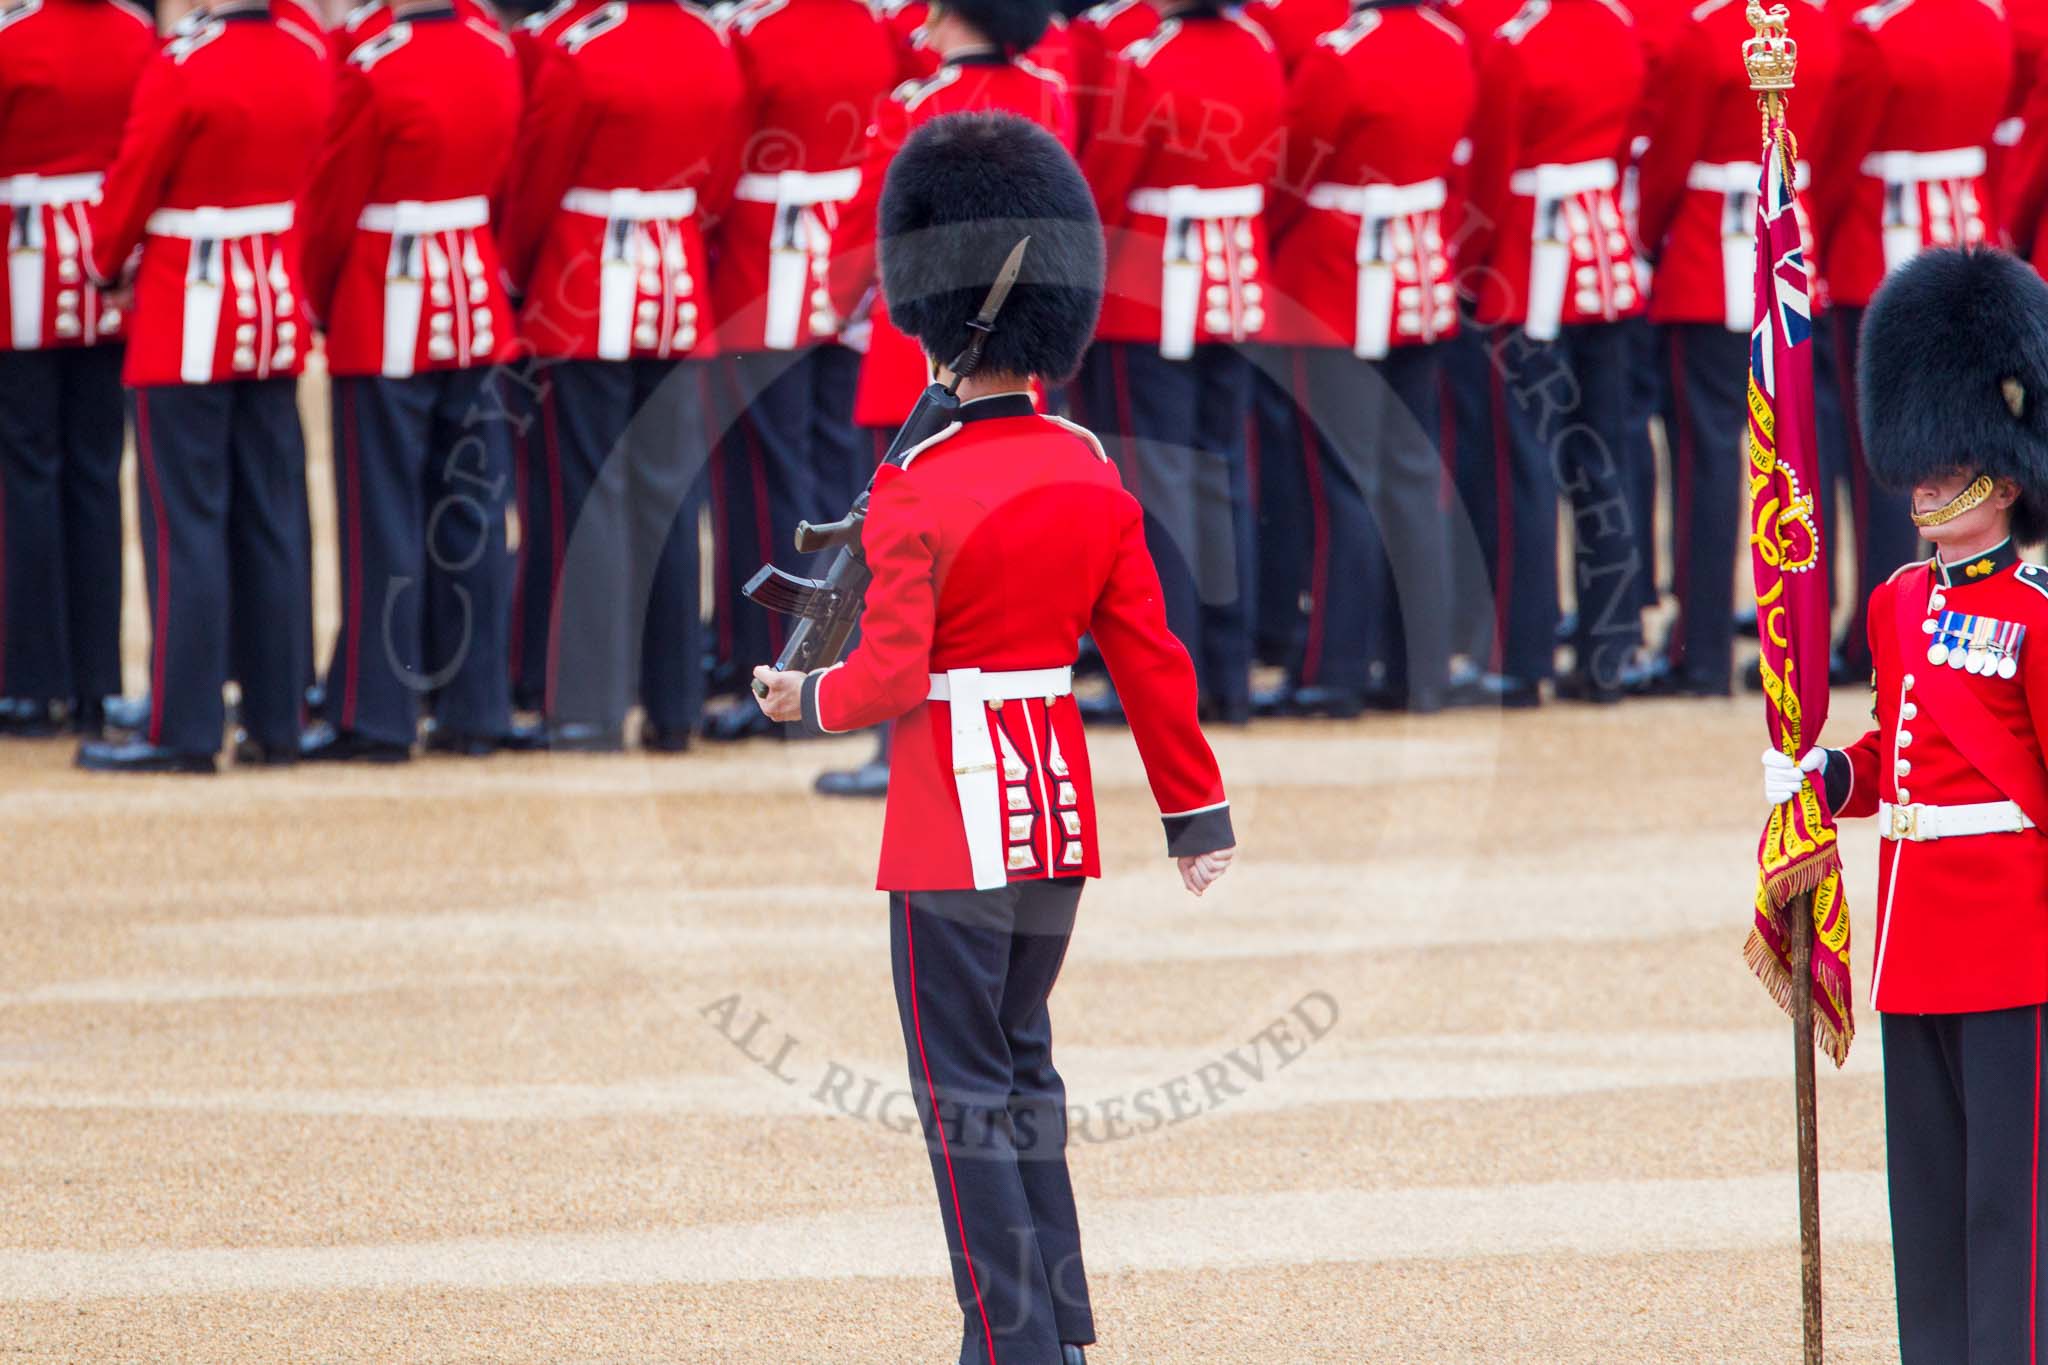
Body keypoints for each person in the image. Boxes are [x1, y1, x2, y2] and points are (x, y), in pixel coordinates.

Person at [753, 112, 1235, 1365]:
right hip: (1055, 821)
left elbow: (889, 674)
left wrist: (801, 699)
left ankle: (1011, 1344)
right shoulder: (1087, 469)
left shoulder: (918, 482)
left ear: (934, 312)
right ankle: (1053, 1336)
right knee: (1024, 1075)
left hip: (947, 825)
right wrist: (1194, 815)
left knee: (959, 1099)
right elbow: (1148, 661)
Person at [1762, 247, 2048, 1363]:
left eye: (1949, 468)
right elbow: (1897, 749)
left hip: (2013, 933)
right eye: (1920, 467)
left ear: (2004, 478)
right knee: (1924, 1197)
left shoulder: (2032, 613)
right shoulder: (1891, 602)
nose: (1926, 487)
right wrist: (1823, 780)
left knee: (2004, 1202)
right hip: (1915, 930)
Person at [810, 0, 1072, 797]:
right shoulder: (1048, 94)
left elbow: (867, 228)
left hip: (920, 356)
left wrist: (835, 296)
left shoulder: (915, 107)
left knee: (904, 552)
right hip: (1018, 355)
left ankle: (903, 745)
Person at [74, 0, 332, 774]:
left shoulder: (184, 64)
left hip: (188, 311)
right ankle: (276, 716)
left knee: (184, 525)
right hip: (272, 306)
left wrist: (103, 265)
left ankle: (184, 724)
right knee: (274, 520)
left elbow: (130, 193)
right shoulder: (306, 52)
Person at [495, 0, 745, 751]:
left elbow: (537, 181)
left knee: (591, 500)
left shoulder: (577, 46)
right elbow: (721, 180)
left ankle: (588, 704)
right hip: (674, 285)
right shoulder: (711, 42)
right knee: (668, 503)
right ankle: (674, 707)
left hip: (585, 286)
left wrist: (518, 270)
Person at [295, 0, 526, 761]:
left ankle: (380, 712)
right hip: (472, 296)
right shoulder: (493, 48)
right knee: (472, 511)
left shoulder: (373, 62)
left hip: (384, 300)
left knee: (383, 515)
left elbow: (330, 209)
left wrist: (323, 298)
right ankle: (475, 706)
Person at [1074, 0, 1288, 725]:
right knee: (1224, 478)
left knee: (1157, 489)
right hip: (1235, 283)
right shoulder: (1259, 47)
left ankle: (1166, 680)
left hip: (1153, 287)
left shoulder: (1145, 60)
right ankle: (1228, 676)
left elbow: (1101, 187)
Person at [1259, 0, 1474, 716]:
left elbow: (1290, 172)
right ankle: (1422, 669)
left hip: (1337, 275)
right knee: (1413, 474)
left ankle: (1334, 669)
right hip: (1417, 271)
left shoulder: (1340, 54)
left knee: (1341, 485)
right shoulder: (1450, 43)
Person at [699, 0, 898, 743]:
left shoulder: (755, 32)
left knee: (764, 480)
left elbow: (720, 166)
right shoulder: (871, 27)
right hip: (845, 257)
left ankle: (767, 665)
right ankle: (832, 660)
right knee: (838, 475)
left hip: (764, 263)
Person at [1633, 0, 1837, 697]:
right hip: (1795, 250)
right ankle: (1804, 641)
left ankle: (1701, 648)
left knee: (1707, 456)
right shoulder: (1826, 27)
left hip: (1706, 254)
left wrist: (1647, 238)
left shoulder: (1703, 32)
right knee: (1798, 453)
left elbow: (1667, 160)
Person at [1805, 0, 2011, 681]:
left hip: (1881, 249)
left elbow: (1833, 166)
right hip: (1967, 238)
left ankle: (1877, 629)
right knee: (1962, 444)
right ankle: (1961, 606)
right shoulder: (1988, 22)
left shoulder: (1876, 37)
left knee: (1885, 462)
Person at [1457, 0, 1649, 705]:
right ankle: (1608, 649)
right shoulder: (1618, 28)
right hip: (1602, 253)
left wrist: (1470, 263)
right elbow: (1629, 142)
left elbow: (1493, 167)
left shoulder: (1518, 44)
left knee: (1527, 467)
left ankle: (1523, 652)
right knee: (1604, 459)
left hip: (1532, 259)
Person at [0, 0, 156, 738]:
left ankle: (33, 682)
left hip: (23, 270)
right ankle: (96, 680)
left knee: (28, 473)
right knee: (97, 475)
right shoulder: (137, 35)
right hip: (107, 267)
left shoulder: (15, 38)